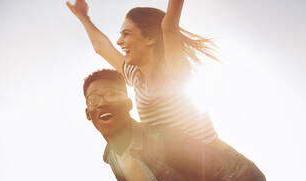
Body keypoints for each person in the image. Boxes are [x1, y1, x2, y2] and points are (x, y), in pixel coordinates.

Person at [83, 69, 268, 181]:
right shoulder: (113, 159)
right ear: (88, 113)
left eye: (112, 94)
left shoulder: (159, 139)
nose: (103, 103)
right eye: (94, 99)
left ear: (128, 103)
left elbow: (235, 170)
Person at [67, 0, 219, 144]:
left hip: (214, 163)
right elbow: (102, 47)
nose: (119, 41)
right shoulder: (135, 76)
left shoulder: (173, 70)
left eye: (126, 34)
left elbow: (169, 28)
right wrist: (82, 16)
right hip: (180, 166)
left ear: (150, 38)